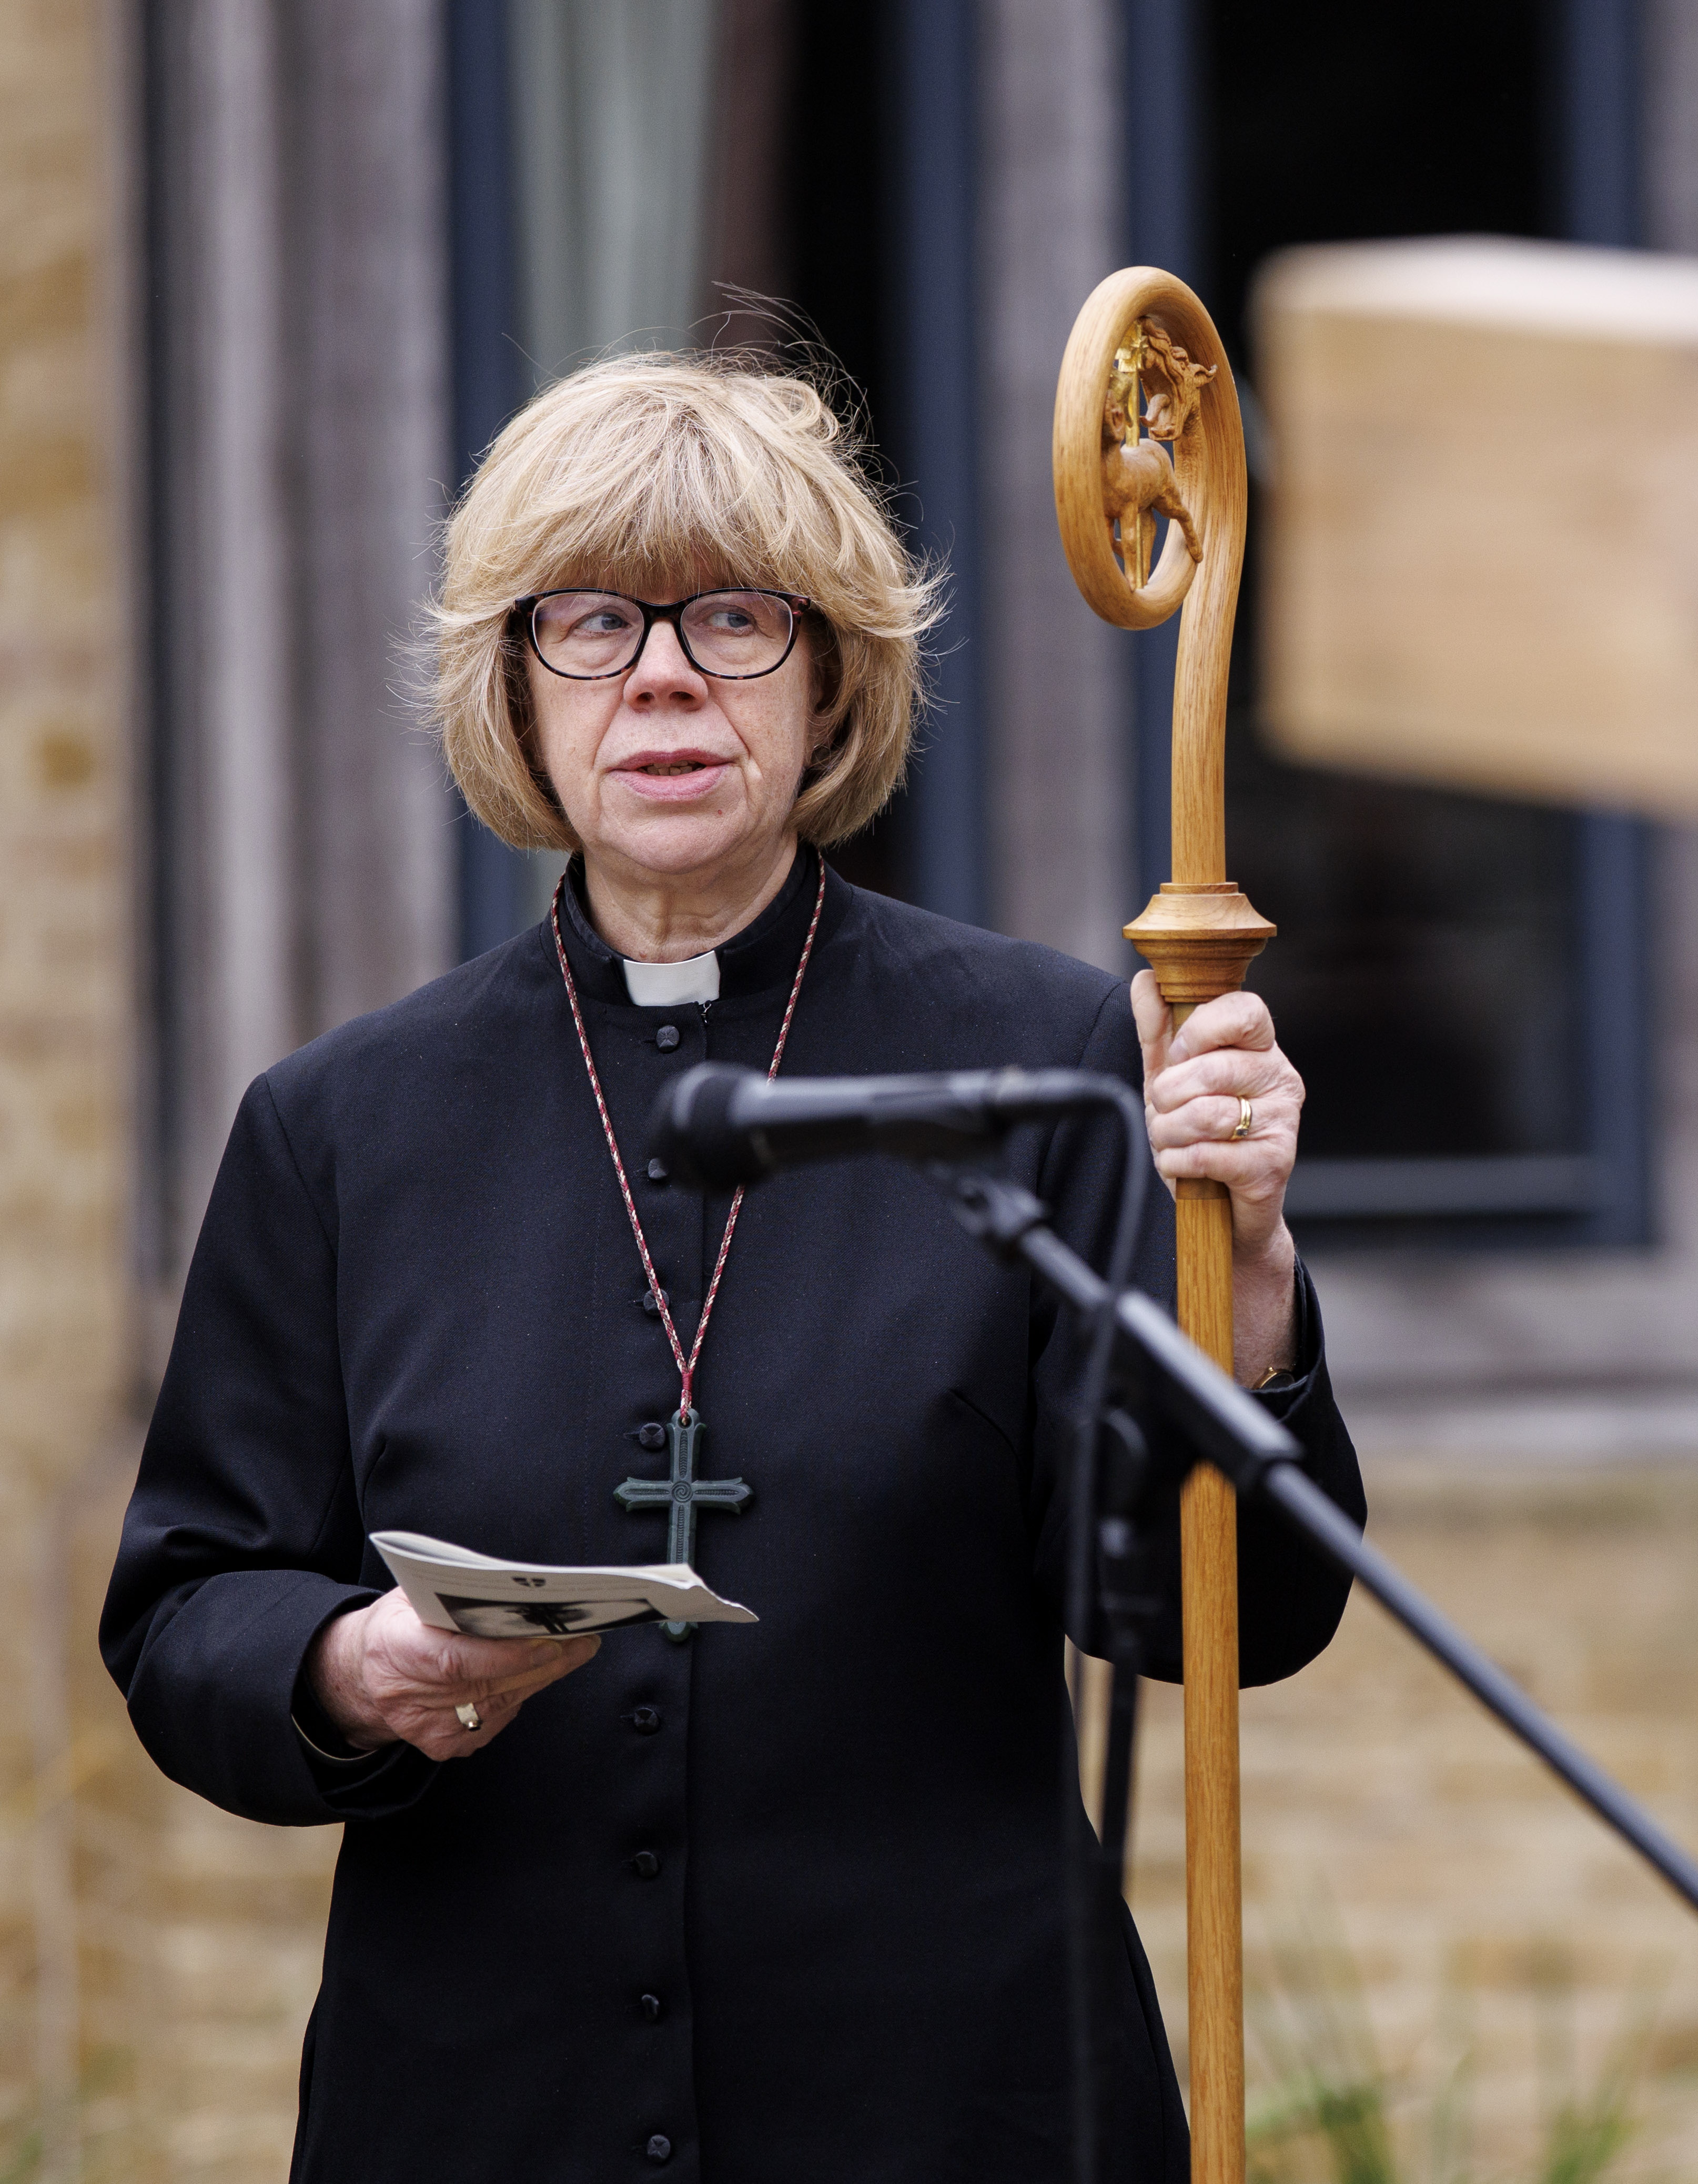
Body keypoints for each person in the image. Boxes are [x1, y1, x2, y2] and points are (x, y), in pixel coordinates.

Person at [101, 353, 1362, 2182]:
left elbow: (1216, 1619)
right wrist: (349, 1663)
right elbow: (181, 1612)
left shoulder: (1053, 1058)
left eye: (737, 618)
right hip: (478, 2110)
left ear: (835, 671)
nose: (667, 675)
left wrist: (1243, 1273)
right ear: (513, 690)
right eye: (593, 623)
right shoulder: (342, 1127)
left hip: (957, 2112)